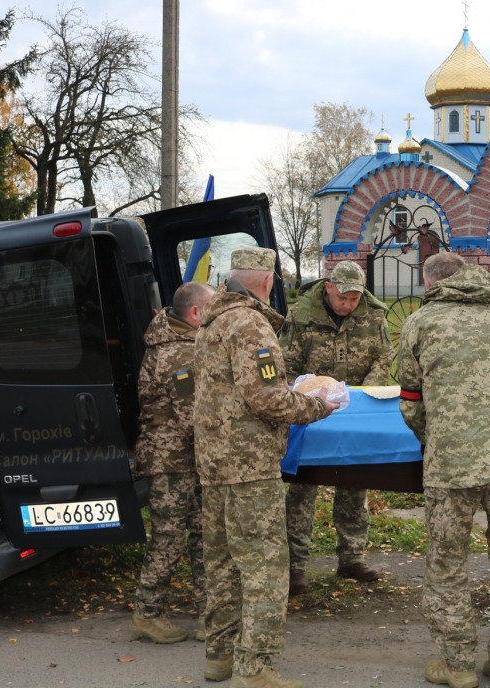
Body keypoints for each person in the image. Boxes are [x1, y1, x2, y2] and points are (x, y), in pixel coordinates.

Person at [193, 247, 338, 688]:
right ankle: (254, 668)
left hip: (214, 464)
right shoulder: (250, 324)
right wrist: (317, 405)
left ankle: (219, 657)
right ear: (268, 282)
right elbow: (268, 398)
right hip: (249, 466)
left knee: (221, 563)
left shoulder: (212, 321)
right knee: (265, 566)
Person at [396, 252, 490, 688]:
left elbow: (410, 402)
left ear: (430, 282)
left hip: (451, 467)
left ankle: (457, 666)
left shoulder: (421, 322)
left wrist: (434, 438)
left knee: (447, 565)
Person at [281, 260, 390, 595]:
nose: (348, 304)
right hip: (309, 412)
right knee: (302, 487)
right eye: (343, 297)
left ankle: (351, 558)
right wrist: (305, 398)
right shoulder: (300, 315)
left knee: (354, 483)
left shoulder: (374, 315)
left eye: (355, 298)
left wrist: (359, 396)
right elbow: (285, 363)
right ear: (328, 287)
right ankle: (295, 566)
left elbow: (383, 357)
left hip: (355, 411)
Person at [130, 282, 216, 645]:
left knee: (201, 532)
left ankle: (209, 614)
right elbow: (190, 415)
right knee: (169, 537)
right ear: (195, 313)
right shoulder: (179, 355)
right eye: (212, 306)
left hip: (185, 458)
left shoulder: (181, 343)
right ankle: (147, 614)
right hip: (171, 461)